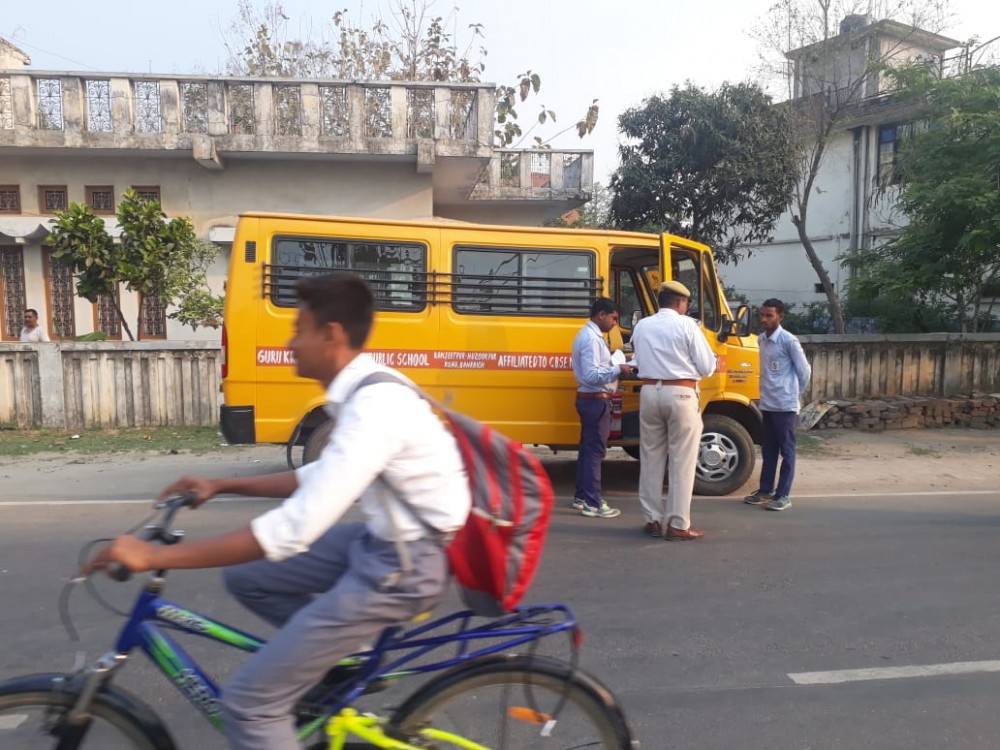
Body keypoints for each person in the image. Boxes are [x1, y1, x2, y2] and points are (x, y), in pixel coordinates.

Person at [84, 271, 471, 750]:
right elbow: (323, 476)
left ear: (330, 335)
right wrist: (221, 483)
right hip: (383, 544)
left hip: (403, 568)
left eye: (297, 330)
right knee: (248, 575)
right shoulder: (366, 392)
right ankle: (339, 663)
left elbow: (293, 529)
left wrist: (152, 556)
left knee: (250, 704)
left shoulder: (376, 406)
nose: (290, 343)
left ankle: (334, 659)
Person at [630, 281, 716, 540]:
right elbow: (706, 366)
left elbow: (637, 358)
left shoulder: (642, 325)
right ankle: (678, 524)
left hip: (649, 392)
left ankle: (652, 520)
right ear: (681, 302)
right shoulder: (687, 325)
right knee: (682, 461)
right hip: (680, 393)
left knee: (651, 458)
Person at [744, 298, 812, 512]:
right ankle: (766, 490)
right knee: (769, 449)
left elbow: (805, 372)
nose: (764, 319)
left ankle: (783, 495)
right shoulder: (761, 340)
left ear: (780, 317)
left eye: (769, 315)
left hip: (785, 406)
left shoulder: (789, 341)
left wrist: (792, 394)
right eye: (762, 315)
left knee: (787, 450)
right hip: (768, 404)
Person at [570, 297, 635, 519]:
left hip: (590, 399)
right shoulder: (591, 339)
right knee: (595, 452)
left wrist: (616, 365)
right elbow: (591, 375)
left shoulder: (590, 336)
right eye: (613, 318)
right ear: (601, 315)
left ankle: (582, 497)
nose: (615, 323)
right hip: (594, 399)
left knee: (588, 450)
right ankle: (593, 503)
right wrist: (618, 369)